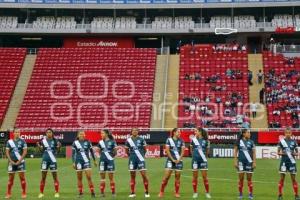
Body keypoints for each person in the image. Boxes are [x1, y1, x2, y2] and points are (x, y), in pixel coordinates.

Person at [158, 128, 185, 198]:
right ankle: (161, 191)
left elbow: (182, 151)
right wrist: (172, 159)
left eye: (180, 132)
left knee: (177, 177)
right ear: (174, 133)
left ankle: (176, 192)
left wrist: (179, 159)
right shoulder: (169, 140)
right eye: (178, 132)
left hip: (179, 161)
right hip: (170, 160)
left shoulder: (181, 141)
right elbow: (167, 151)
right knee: (166, 177)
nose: (179, 133)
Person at [125, 128, 150, 198]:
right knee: (132, 176)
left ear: (138, 132)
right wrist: (131, 156)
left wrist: (142, 156)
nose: (135, 132)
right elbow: (126, 150)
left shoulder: (141, 139)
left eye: (136, 131)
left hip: (140, 159)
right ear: (131, 132)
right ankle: (132, 193)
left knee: (143, 175)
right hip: (132, 159)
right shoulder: (128, 140)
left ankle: (146, 192)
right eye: (133, 131)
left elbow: (145, 149)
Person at [37, 128, 61, 198]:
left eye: (50, 132)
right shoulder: (43, 141)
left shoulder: (55, 141)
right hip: (45, 160)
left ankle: (56, 192)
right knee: (43, 177)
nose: (48, 133)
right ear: (46, 133)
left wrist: (59, 147)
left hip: (53, 160)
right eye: (47, 132)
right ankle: (41, 193)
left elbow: (58, 151)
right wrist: (39, 147)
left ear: (52, 133)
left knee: (55, 177)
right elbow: (41, 151)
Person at [72, 130, 97, 198]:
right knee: (79, 178)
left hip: (86, 161)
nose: (82, 135)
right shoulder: (75, 143)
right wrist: (73, 162)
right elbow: (73, 153)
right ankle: (80, 193)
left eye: (83, 134)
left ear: (84, 135)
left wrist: (94, 160)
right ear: (78, 135)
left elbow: (91, 151)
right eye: (80, 134)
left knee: (89, 177)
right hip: (78, 162)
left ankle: (92, 192)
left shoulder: (88, 142)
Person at [277, 128, 300, 200]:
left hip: (292, 162)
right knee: (282, 179)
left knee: (293, 179)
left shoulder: (294, 142)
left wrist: (293, 153)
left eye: (289, 133)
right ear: (284, 133)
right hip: (283, 162)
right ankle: (280, 195)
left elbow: (297, 153)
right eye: (287, 133)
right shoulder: (281, 142)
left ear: (291, 133)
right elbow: (278, 152)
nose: (288, 134)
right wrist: (285, 153)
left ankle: (296, 195)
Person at [5, 128, 28, 199]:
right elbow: (7, 152)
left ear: (20, 133)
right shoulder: (9, 142)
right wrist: (10, 161)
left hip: (20, 162)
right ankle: (8, 193)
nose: (17, 133)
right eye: (16, 132)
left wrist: (20, 160)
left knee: (22, 178)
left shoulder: (23, 141)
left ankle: (24, 192)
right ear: (13, 133)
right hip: (11, 162)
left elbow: (25, 152)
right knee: (11, 179)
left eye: (18, 132)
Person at [234, 129, 256, 200]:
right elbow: (235, 152)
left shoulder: (251, 142)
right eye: (248, 133)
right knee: (241, 179)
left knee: (249, 179)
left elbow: (254, 153)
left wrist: (254, 162)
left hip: (249, 162)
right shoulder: (239, 142)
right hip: (240, 162)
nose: (249, 134)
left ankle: (250, 194)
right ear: (243, 134)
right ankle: (240, 194)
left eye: (249, 133)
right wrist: (235, 161)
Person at [190, 128, 211, 199]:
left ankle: (207, 193)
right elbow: (191, 149)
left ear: (200, 132)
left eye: (196, 131)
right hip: (195, 161)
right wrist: (195, 156)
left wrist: (204, 157)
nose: (195, 132)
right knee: (195, 178)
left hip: (203, 161)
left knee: (205, 178)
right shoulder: (193, 140)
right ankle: (195, 193)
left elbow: (208, 152)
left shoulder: (206, 141)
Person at [97, 129, 117, 198]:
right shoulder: (100, 142)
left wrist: (110, 157)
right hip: (102, 161)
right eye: (101, 133)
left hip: (110, 161)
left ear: (107, 134)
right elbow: (99, 151)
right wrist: (103, 157)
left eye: (102, 133)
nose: (101, 135)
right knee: (102, 178)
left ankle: (113, 192)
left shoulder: (112, 141)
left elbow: (115, 152)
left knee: (111, 178)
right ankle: (102, 193)